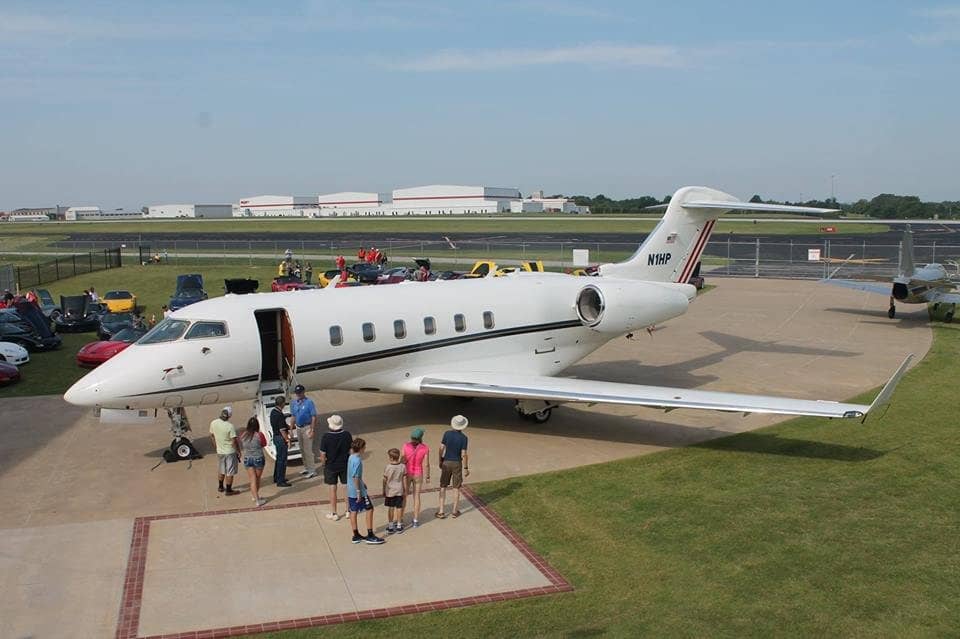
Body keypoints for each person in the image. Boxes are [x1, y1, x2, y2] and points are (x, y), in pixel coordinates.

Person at [347, 438, 385, 545]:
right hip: (358, 491)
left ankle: (356, 535)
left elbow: (354, 475)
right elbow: (355, 476)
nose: (365, 448)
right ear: (361, 448)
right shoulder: (357, 460)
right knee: (370, 509)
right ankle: (370, 535)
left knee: (353, 511)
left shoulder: (351, 457)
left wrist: (362, 482)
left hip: (350, 489)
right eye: (364, 447)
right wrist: (359, 491)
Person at [319, 414, 352, 520]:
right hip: (345, 464)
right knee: (346, 487)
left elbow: (323, 453)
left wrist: (323, 463)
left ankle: (334, 513)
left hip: (331, 465)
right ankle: (348, 510)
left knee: (332, 488)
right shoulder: (347, 434)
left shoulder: (326, 436)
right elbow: (350, 450)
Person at [437, 415, 470, 519]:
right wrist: (466, 468)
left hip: (446, 462)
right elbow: (463, 454)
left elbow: (441, 448)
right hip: (457, 463)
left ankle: (441, 511)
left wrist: (440, 459)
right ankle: (455, 511)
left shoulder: (447, 434)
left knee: (443, 486)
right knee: (456, 487)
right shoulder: (464, 438)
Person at [400, 427, 431, 528]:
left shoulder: (405, 446)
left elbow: (402, 460)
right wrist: (427, 476)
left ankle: (400, 519)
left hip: (407, 473)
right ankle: (415, 520)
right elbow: (426, 464)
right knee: (417, 496)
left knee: (404, 496)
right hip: (418, 473)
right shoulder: (425, 448)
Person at [289, 384, 318, 479]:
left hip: (307, 427)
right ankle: (306, 467)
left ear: (303, 392)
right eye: (296, 393)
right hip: (298, 428)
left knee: (308, 449)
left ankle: (312, 470)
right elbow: (293, 416)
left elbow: (313, 417)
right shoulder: (294, 403)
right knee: (302, 449)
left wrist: (312, 430)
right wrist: (291, 429)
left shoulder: (309, 402)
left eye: (299, 393)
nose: (298, 394)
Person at [209, 406, 239, 496]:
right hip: (230, 452)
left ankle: (220, 487)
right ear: (229, 416)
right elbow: (234, 441)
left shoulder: (213, 423)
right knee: (229, 472)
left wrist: (216, 446)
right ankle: (229, 490)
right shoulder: (230, 426)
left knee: (221, 470)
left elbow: (212, 435)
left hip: (220, 451)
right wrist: (238, 451)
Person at [240, 417, 268, 506]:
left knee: (252, 479)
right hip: (258, 458)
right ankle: (256, 499)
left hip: (247, 458)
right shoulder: (259, 435)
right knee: (257, 479)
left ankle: (255, 496)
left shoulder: (244, 435)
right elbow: (264, 444)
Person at [383, 448, 407, 534]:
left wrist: (383, 489)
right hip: (399, 490)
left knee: (391, 508)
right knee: (399, 508)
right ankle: (399, 525)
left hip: (390, 491)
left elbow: (384, 480)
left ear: (391, 458)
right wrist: (405, 490)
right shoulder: (403, 466)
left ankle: (390, 526)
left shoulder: (388, 467)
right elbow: (404, 479)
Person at [270, 396, 292, 487]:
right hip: (280, 438)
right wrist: (287, 440)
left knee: (279, 459)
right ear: (282, 404)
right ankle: (280, 480)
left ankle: (276, 477)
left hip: (276, 437)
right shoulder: (280, 415)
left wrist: (288, 427)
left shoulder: (273, 412)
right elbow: (282, 430)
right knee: (282, 460)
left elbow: (281, 425)